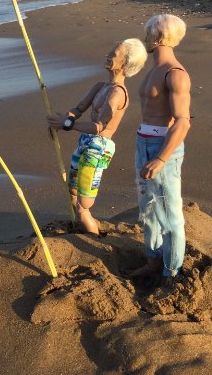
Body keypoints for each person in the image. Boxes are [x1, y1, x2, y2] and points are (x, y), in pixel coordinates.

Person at [48, 38, 148, 235]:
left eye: (114, 54)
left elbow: (100, 127)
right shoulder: (101, 86)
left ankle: (94, 238)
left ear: (125, 64)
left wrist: (68, 125)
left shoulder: (118, 93)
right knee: (74, 194)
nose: (108, 56)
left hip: (98, 148)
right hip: (85, 143)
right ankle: (85, 228)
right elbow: (78, 109)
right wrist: (63, 119)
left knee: (84, 204)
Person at [130, 13, 191, 286]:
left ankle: (171, 271)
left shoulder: (175, 74)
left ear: (160, 37)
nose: (146, 37)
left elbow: (183, 122)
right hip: (143, 142)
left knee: (169, 212)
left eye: (149, 32)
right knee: (148, 208)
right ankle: (152, 260)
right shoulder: (153, 69)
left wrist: (161, 158)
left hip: (161, 147)